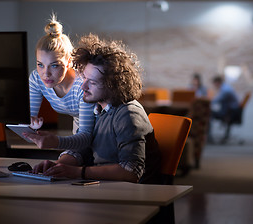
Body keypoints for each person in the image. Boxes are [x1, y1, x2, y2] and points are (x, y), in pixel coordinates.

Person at [28, 34, 162, 184]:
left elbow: (131, 171)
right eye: (84, 78)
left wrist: (78, 172)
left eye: (91, 82)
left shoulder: (128, 114)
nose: (83, 86)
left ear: (112, 85)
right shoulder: (97, 110)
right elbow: (82, 150)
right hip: (105, 187)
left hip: (133, 195)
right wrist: (59, 166)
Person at [28, 14, 95, 150]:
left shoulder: (83, 85)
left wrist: (57, 142)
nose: (45, 74)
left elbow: (87, 135)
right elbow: (29, 119)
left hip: (104, 128)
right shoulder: (36, 79)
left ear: (69, 61)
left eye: (54, 65)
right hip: (79, 131)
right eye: (40, 64)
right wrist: (32, 126)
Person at [209, 75, 240, 143]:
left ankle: (209, 137)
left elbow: (217, 100)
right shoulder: (225, 88)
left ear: (217, 82)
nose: (214, 86)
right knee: (211, 112)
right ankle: (210, 136)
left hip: (230, 113)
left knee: (209, 114)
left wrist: (207, 102)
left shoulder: (225, 90)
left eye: (214, 84)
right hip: (230, 111)